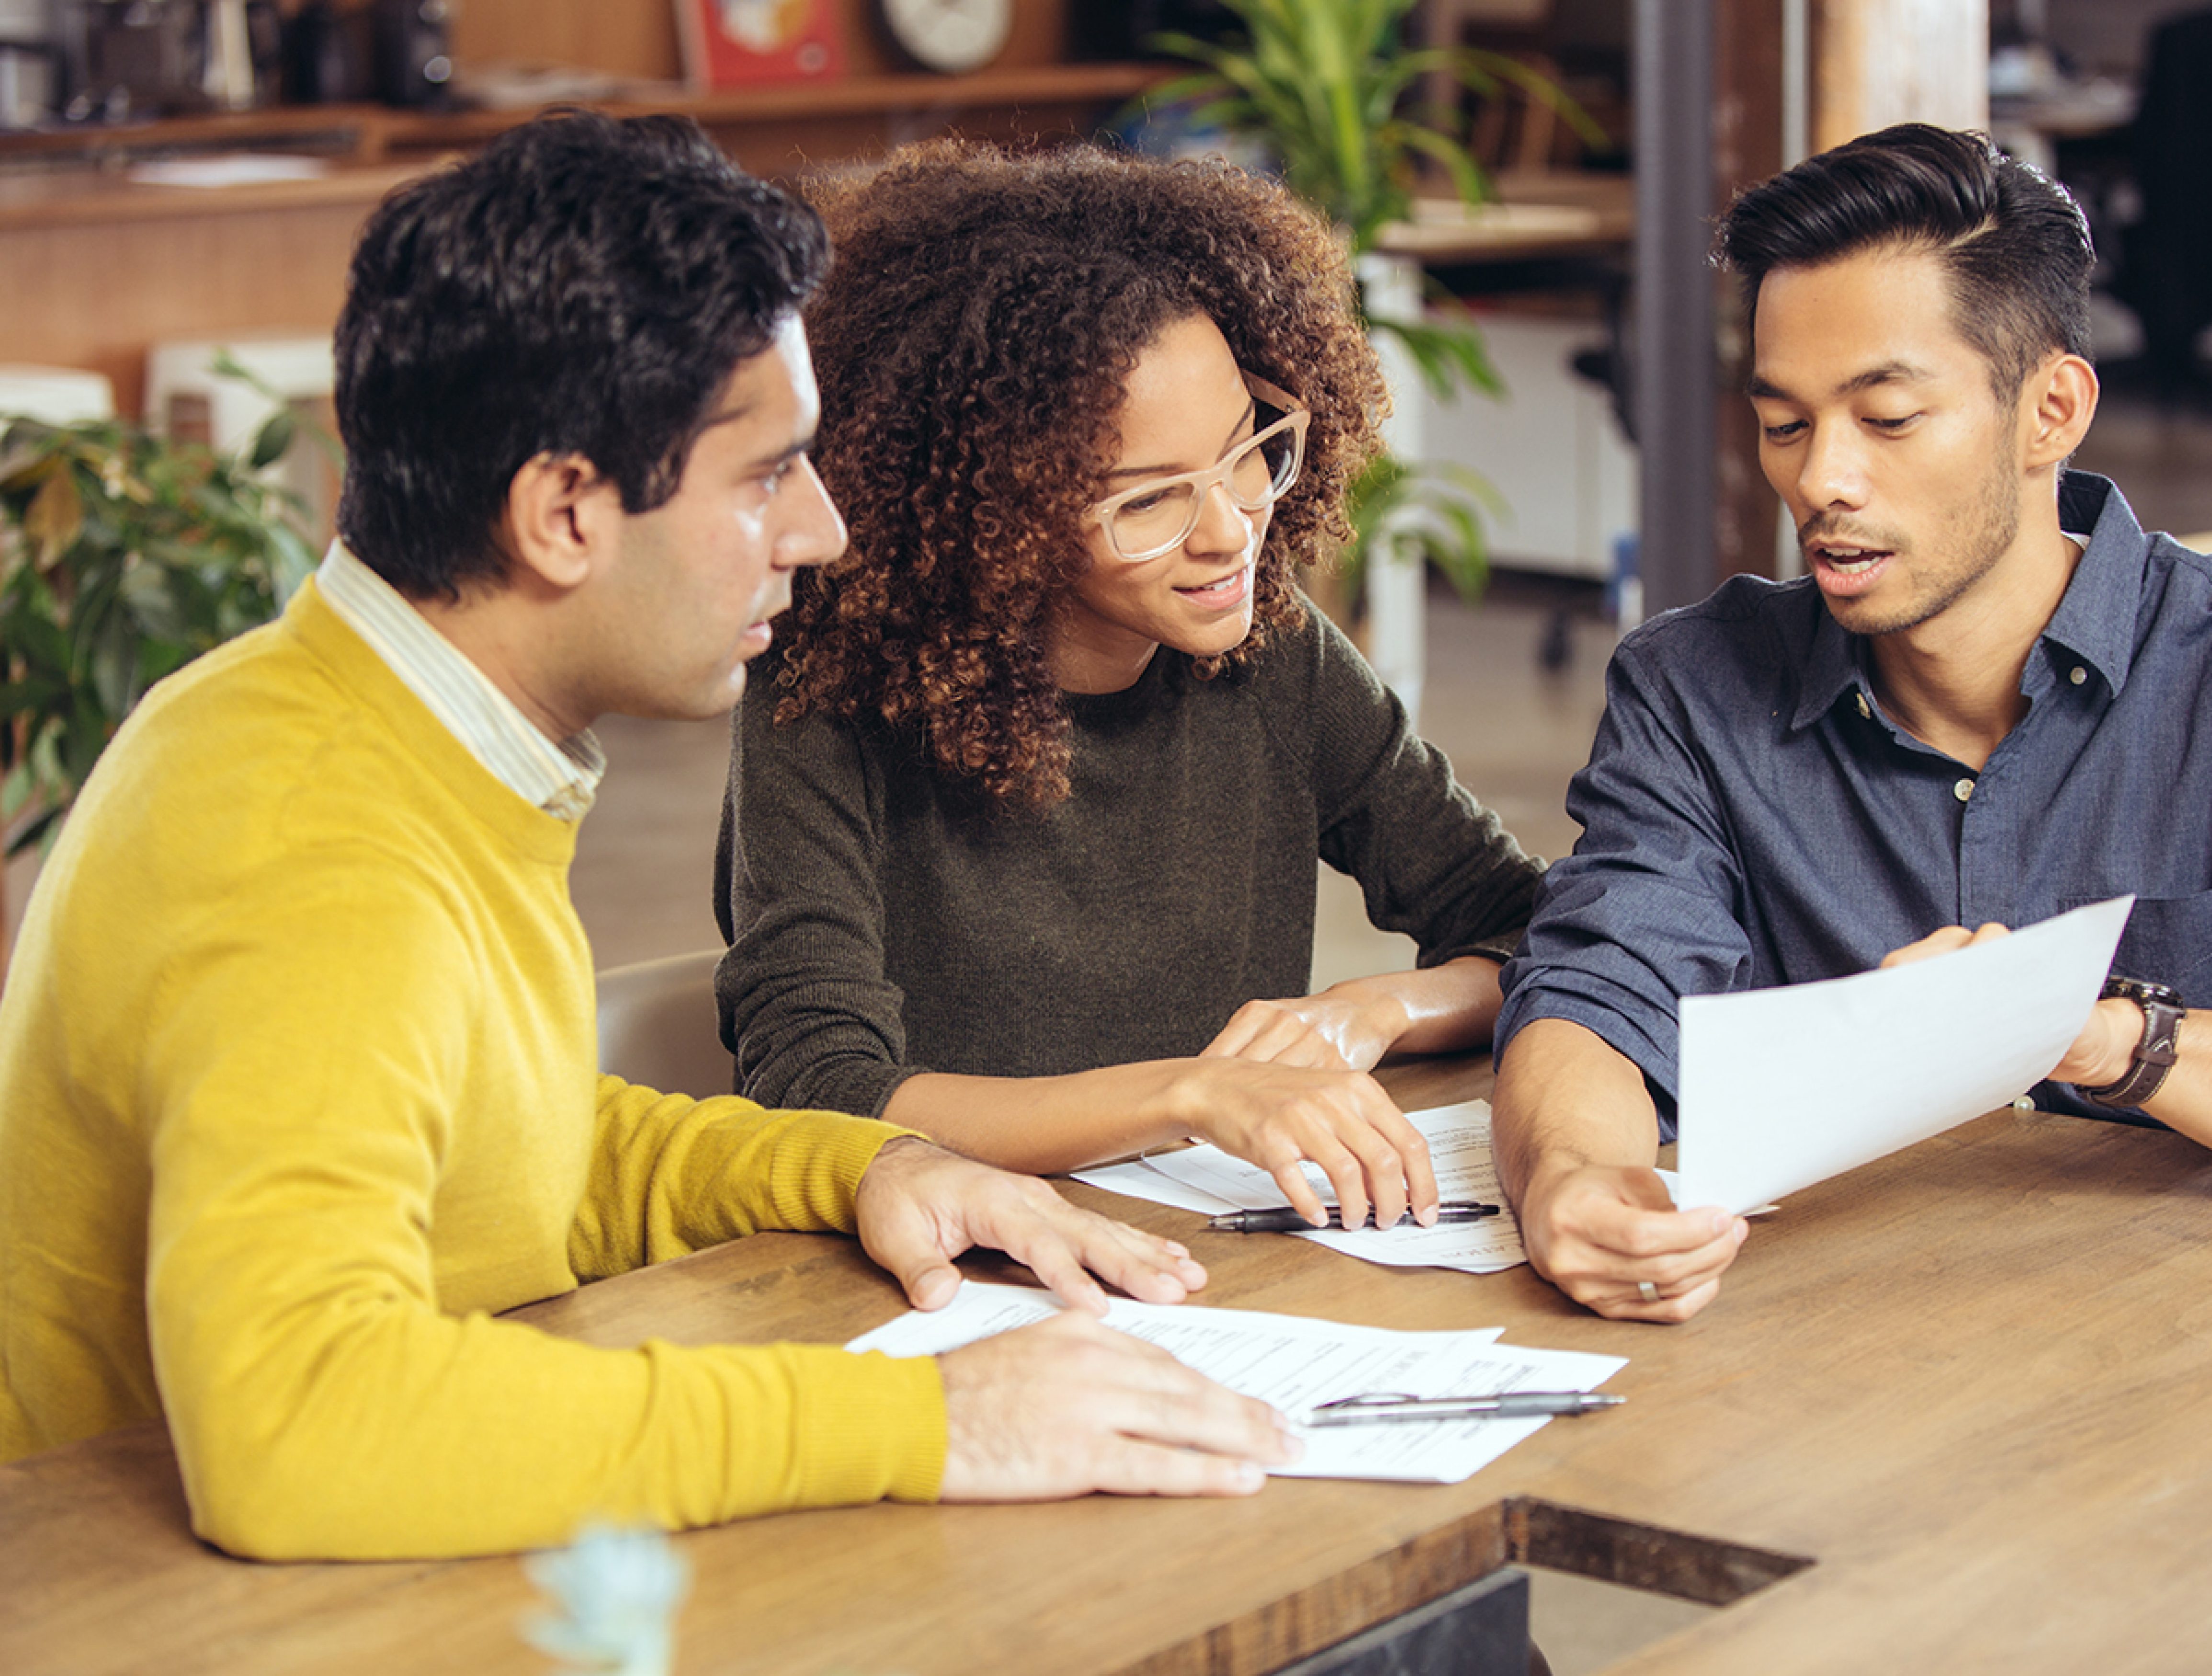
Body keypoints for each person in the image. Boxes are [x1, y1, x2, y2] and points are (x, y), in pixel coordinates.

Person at [0, 111, 1299, 1562]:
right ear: (564, 511)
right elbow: (298, 1422)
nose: (824, 531)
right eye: (763, 476)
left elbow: (501, 1135)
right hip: (183, 1611)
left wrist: (863, 1165)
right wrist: (934, 1424)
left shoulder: (376, 730)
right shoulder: (311, 845)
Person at [1492, 123, 2212, 1323]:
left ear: (2050, 410)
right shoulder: (1693, 686)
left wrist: (2089, 1033)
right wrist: (1572, 1179)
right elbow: (1600, 991)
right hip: (1853, 1362)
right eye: (1784, 423)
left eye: (1889, 417)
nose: (1823, 480)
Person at [715, 141, 1541, 1231]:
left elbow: (1533, 928)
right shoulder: (831, 687)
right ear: (994, 520)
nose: (1230, 530)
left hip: (1204, 1251)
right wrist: (1191, 1095)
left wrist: (1374, 1007)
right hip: (948, 1269)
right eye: (1146, 502)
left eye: (1247, 450)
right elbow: (817, 1091)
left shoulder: (1270, 653)